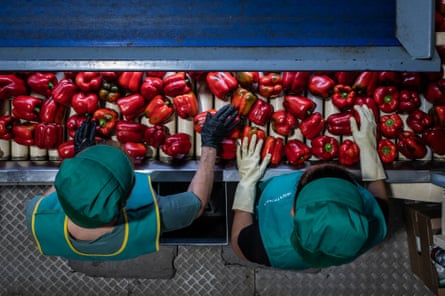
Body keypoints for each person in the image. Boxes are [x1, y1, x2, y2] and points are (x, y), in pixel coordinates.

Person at [25, 104, 239, 261]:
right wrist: (210, 143)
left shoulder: (35, 217)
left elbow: (62, 187)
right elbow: (198, 203)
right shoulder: (151, 219)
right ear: (126, 199)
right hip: (132, 243)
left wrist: (84, 160)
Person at [230, 105, 389, 270]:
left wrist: (246, 183)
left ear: (293, 211)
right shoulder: (369, 228)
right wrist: (369, 150)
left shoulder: (261, 247)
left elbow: (236, 242)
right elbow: (380, 200)